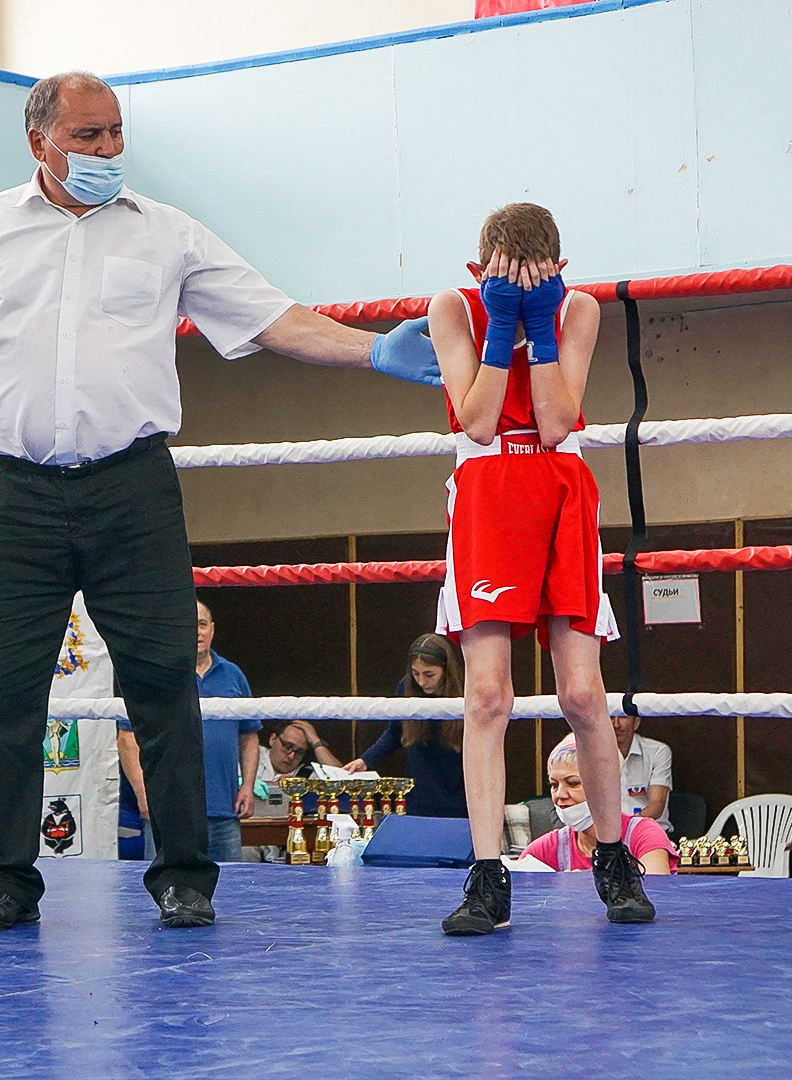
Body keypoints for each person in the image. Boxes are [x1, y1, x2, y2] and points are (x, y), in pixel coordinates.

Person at [0, 71, 442, 932]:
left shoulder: (165, 233)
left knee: (164, 685)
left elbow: (271, 317)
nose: (109, 150)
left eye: (116, 133)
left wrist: (372, 353)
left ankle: (183, 875)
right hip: (13, 492)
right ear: (40, 142)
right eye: (89, 136)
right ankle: (4, 879)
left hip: (131, 487)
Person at [425, 203, 653, 936]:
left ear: (557, 273)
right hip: (489, 492)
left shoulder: (578, 308)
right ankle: (488, 877)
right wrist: (500, 324)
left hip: (558, 489)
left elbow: (557, 421)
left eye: (536, 283)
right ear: (479, 274)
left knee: (585, 696)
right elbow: (482, 420)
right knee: (488, 696)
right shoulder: (453, 308)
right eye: (505, 284)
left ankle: (615, 860)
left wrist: (543, 318)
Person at [120, 600, 256, 861]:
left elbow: (248, 734)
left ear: (212, 629)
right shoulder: (156, 674)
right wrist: (142, 793)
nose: (196, 632)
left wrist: (247, 785)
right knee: (163, 889)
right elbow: (127, 739)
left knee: (233, 893)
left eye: (202, 624)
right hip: (166, 809)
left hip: (223, 811)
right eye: (189, 625)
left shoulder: (233, 675)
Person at [343, 634, 467, 818]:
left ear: (445, 668)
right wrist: (366, 760)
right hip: (419, 792)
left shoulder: (466, 688)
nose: (422, 681)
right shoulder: (407, 687)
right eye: (416, 673)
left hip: (459, 793)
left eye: (429, 674)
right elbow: (395, 732)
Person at [521, 737, 677, 875]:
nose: (560, 794)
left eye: (573, 783)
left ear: (607, 785)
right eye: (554, 785)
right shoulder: (545, 849)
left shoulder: (644, 835)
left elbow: (657, 896)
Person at [611, 712, 674, 834]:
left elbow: (657, 805)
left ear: (636, 722)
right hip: (607, 837)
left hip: (649, 833)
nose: (616, 724)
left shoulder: (658, 751)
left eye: (623, 717)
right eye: (611, 717)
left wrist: (627, 826)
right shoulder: (592, 754)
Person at [253, 720, 343, 790]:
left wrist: (316, 741)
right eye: (288, 746)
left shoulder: (307, 773)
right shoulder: (251, 756)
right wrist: (273, 785)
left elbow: (340, 778)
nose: (291, 756)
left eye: (299, 752)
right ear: (273, 739)